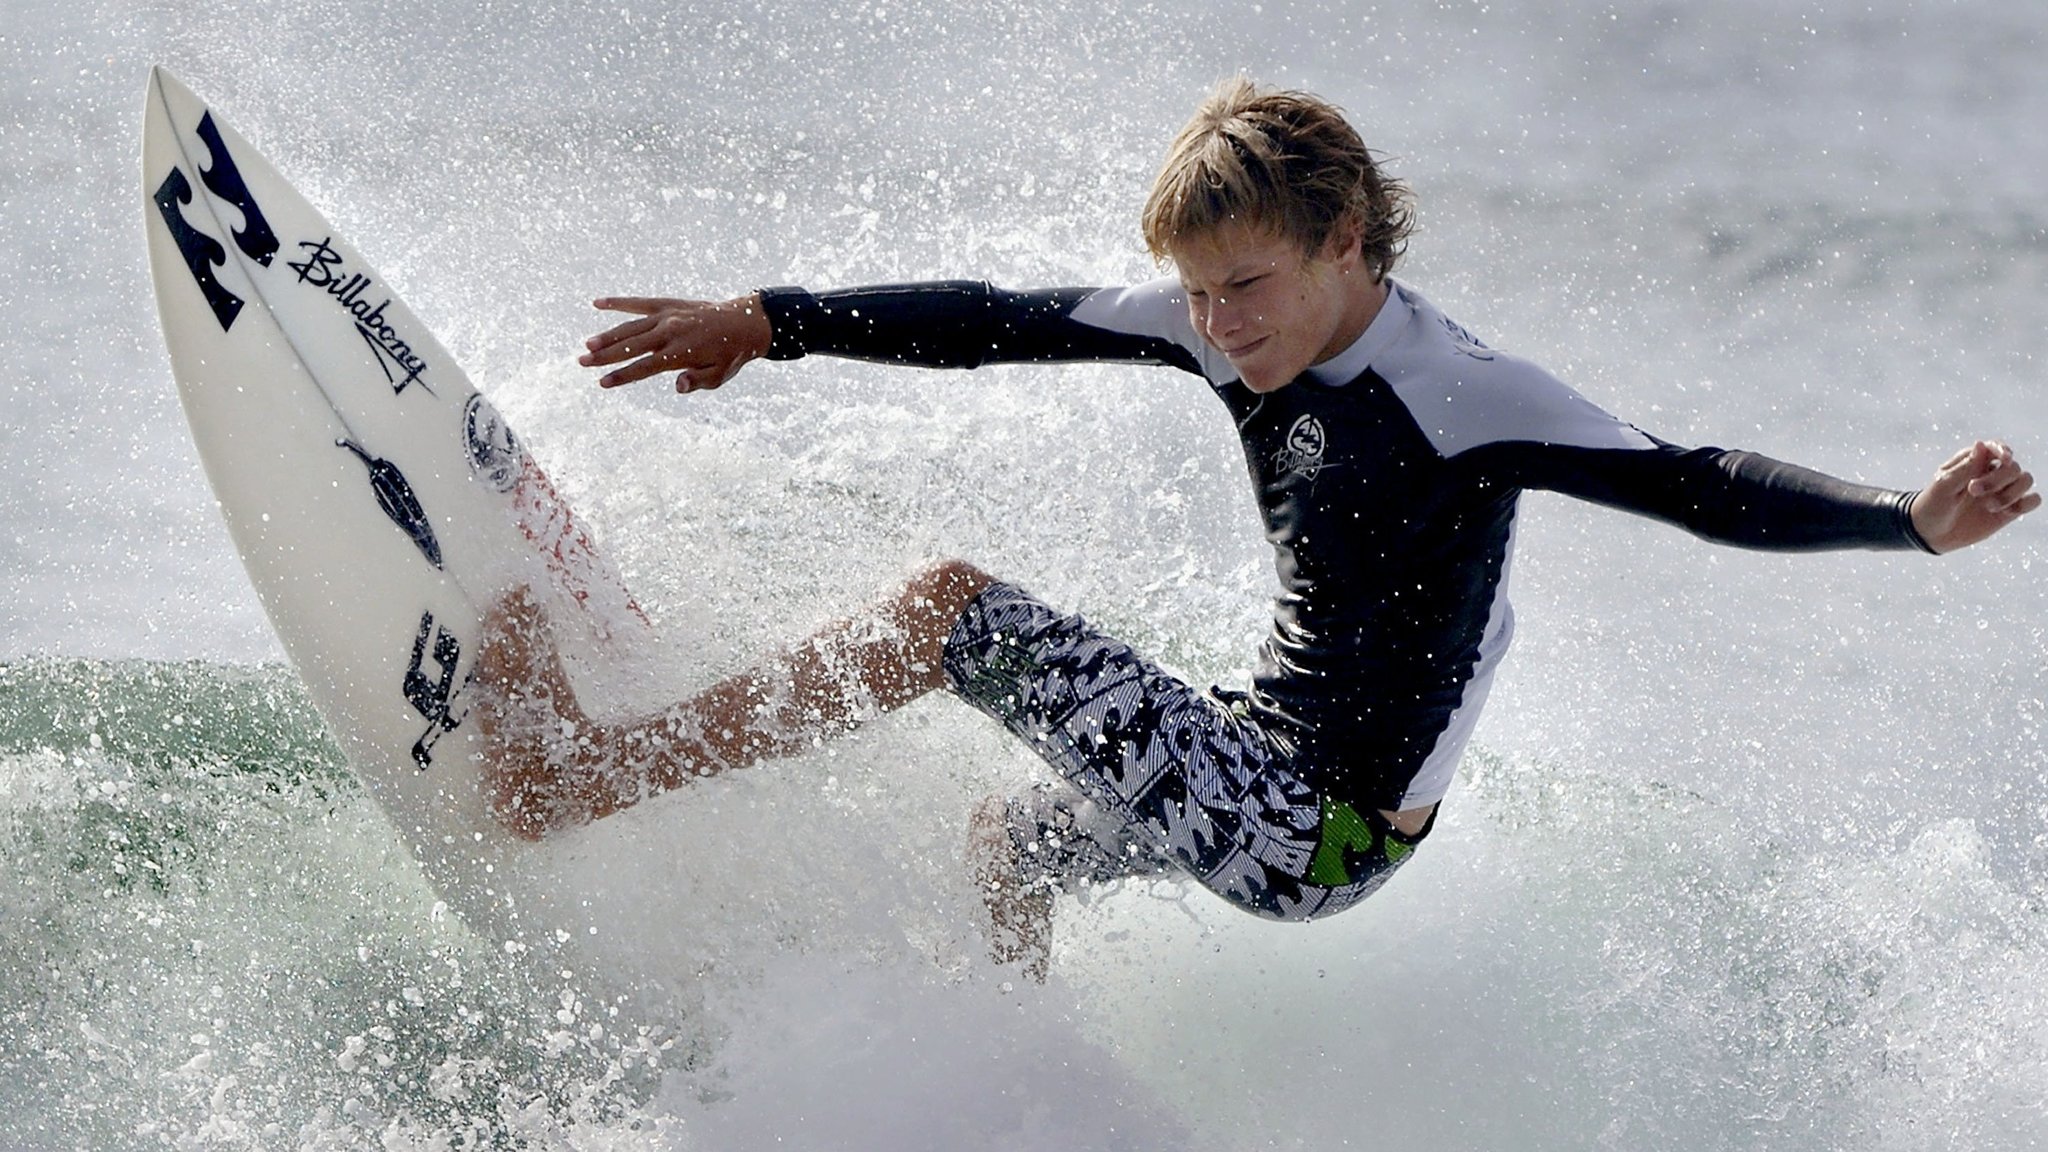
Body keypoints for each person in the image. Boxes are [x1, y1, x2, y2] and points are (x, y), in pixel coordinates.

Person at [475, 78, 2038, 978]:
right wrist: (772, 319)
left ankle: (578, 778)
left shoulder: (1464, 393)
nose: (1219, 326)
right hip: (1258, 765)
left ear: (1344, 241)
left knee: (947, 610)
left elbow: (1693, 479)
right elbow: (1000, 319)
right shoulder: (1228, 321)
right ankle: (1009, 1094)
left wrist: (1904, 520)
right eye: (1200, 294)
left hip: (1318, 830)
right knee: (1008, 846)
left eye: (1247, 288)